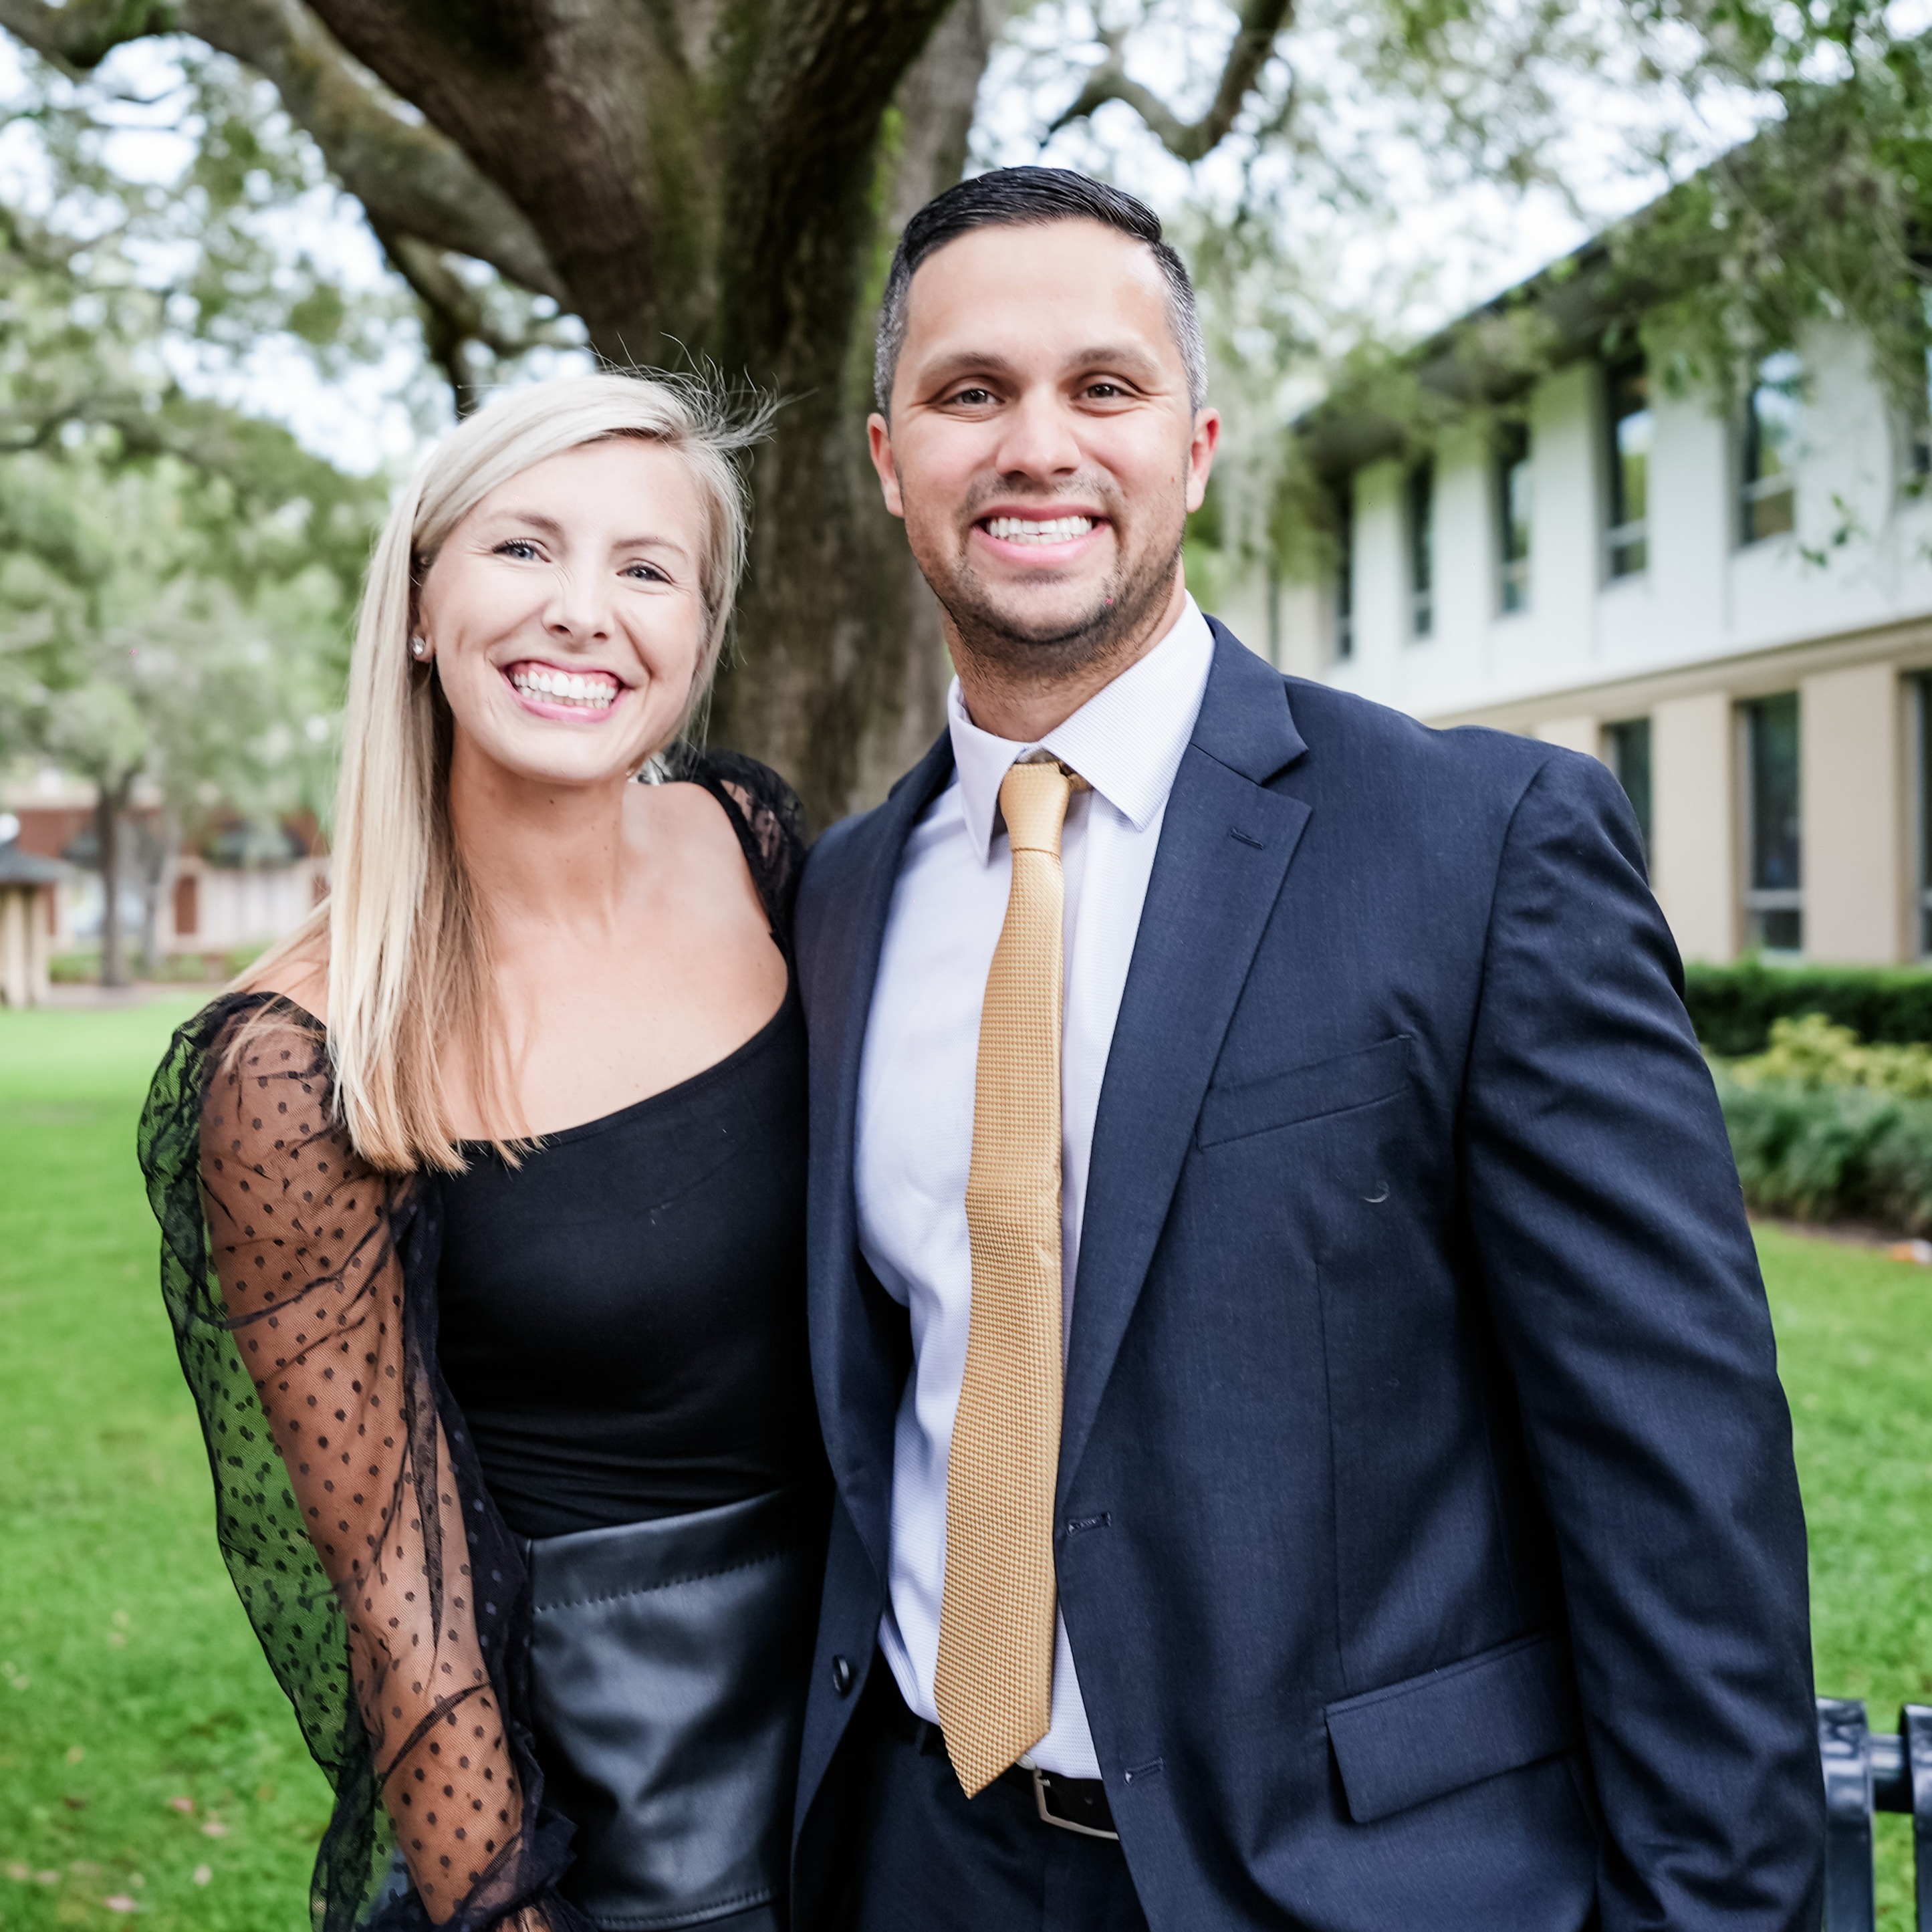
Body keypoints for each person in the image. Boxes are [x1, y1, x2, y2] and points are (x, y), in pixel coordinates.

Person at [789, 167, 1824, 1931]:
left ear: (1192, 448)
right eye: (970, 392)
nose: (1036, 445)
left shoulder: (1479, 845)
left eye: (1100, 387)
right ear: (891, 460)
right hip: (918, 1856)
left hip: (1356, 1879)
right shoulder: (841, 898)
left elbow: (1677, 1481)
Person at [140, 372, 824, 1932]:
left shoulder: (746, 843)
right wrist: (509, 1910)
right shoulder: (298, 1063)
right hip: (629, 1814)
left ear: (696, 632)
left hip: (900, 1737)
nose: (584, 609)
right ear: (418, 605)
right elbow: (400, 1596)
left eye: (645, 566)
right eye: (524, 547)